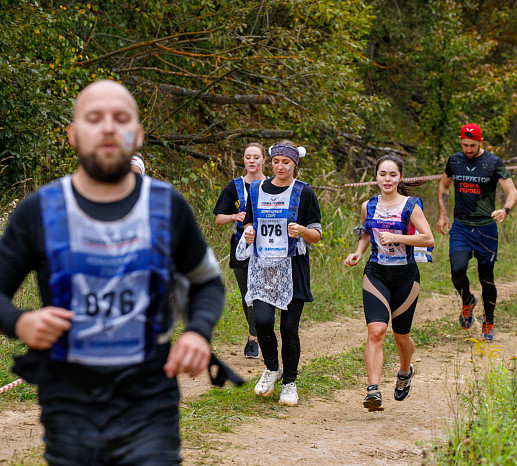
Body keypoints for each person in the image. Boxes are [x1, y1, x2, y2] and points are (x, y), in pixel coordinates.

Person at [0, 80, 224, 465]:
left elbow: (207, 283)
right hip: (69, 402)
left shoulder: (166, 206)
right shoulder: (40, 210)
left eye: (120, 118)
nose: (107, 127)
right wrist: (20, 322)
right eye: (94, 118)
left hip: (148, 401)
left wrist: (198, 332)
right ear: (73, 134)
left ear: (136, 135)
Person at [344, 155, 434, 412]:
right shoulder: (368, 205)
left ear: (400, 177)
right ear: (376, 177)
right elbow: (365, 233)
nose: (387, 179)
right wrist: (358, 253)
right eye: (382, 174)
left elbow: (428, 239)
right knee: (376, 331)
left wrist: (398, 236)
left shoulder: (411, 205)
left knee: (401, 336)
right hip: (376, 273)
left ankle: (405, 371)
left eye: (392, 175)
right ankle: (373, 390)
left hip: (406, 276)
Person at [238, 140, 321, 407]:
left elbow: (316, 234)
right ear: (270, 162)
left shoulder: (304, 192)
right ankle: (272, 368)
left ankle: (290, 383)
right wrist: (249, 231)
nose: (281, 166)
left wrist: (302, 232)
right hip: (262, 267)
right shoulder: (257, 188)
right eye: (276, 161)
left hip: (293, 268)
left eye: (286, 162)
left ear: (295, 164)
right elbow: (250, 220)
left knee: (288, 328)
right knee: (262, 322)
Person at [436, 123, 517, 342]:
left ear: (481, 142)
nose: (468, 149)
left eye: (472, 145)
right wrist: (443, 214)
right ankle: (467, 300)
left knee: (487, 278)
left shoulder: (493, 162)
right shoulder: (455, 160)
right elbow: (444, 186)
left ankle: (488, 320)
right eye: (465, 145)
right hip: (461, 226)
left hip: (485, 228)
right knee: (457, 270)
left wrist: (505, 209)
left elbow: (512, 192)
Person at [213, 143, 267, 358]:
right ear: (243, 160)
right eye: (248, 157)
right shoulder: (234, 186)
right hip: (241, 246)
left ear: (263, 159)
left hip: (267, 246)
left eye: (256, 157)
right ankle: (253, 337)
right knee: (248, 293)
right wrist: (234, 216)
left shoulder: (272, 185)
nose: (252, 161)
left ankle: (261, 335)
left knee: (264, 290)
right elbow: (218, 219)